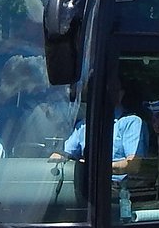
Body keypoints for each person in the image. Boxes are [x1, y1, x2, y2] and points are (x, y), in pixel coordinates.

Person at [50, 82, 147, 218]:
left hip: (115, 194)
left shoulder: (131, 122)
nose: (103, 94)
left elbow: (133, 166)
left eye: (109, 89)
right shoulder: (83, 125)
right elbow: (63, 155)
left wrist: (94, 167)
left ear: (121, 94)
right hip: (82, 188)